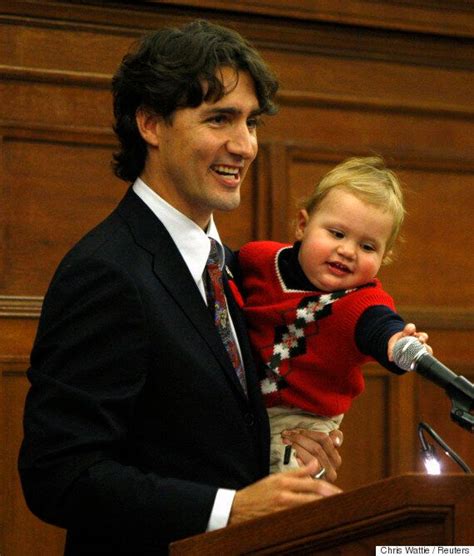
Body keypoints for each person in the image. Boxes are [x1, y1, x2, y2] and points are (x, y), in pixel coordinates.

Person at [18, 19, 343, 555]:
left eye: (251, 123)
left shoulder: (235, 268)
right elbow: (60, 475)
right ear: (150, 123)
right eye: (220, 119)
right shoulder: (106, 271)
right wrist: (231, 509)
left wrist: (292, 442)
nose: (245, 146)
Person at [238, 156, 431, 472]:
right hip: (243, 404)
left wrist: (399, 344)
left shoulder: (361, 303)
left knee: (288, 489)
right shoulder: (258, 260)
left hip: (301, 420)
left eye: (368, 247)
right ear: (302, 225)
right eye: (337, 234)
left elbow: (381, 327)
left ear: (386, 257)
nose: (348, 251)